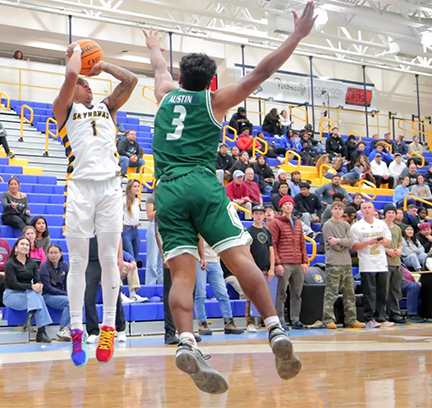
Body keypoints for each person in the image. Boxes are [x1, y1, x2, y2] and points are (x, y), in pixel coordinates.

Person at [143, 5, 315, 387]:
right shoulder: (214, 101)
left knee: (182, 273)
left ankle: (186, 340)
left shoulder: (165, 95)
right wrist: (298, 35)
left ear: (182, 77)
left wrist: (154, 46)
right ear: (210, 82)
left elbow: (158, 70)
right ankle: (274, 328)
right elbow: (262, 71)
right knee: (238, 258)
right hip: (202, 184)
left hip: (167, 190)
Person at [54, 41, 138, 367]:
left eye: (89, 83)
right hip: (79, 187)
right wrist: (75, 50)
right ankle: (77, 330)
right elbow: (72, 72)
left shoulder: (107, 107)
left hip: (110, 187)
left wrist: (103, 65)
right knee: (77, 262)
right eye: (82, 83)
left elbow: (131, 81)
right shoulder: (63, 109)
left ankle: (107, 328)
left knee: (108, 260)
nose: (87, 85)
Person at [319, 201, 364, 329]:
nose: (338, 211)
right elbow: (333, 245)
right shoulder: (327, 225)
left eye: (340, 209)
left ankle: (351, 319)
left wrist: (339, 240)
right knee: (331, 292)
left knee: (349, 292)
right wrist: (343, 242)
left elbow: (351, 242)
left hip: (346, 262)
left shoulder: (345, 224)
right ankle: (328, 319)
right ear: (332, 210)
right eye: (335, 208)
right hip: (333, 262)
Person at [350, 201, 393, 329]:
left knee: (382, 291)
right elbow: (354, 246)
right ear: (361, 211)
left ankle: (381, 316)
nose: (367, 210)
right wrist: (368, 242)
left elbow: (388, 241)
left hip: (381, 262)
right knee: (370, 292)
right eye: (364, 208)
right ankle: (369, 318)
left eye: (369, 207)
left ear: (374, 210)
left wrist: (380, 241)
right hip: (367, 262)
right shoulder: (356, 226)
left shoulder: (381, 224)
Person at [269, 195, 309, 330]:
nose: (288, 206)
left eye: (289, 204)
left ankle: (295, 319)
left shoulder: (297, 222)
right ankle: (280, 319)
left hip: (297, 262)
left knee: (297, 292)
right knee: (281, 292)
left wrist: (305, 261)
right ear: (281, 207)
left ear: (293, 206)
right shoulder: (276, 222)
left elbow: (302, 242)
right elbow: (272, 244)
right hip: (284, 262)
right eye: (285, 204)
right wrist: (277, 263)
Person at [3, 237, 52, 343]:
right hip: (12, 295)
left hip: (28, 295)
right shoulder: (10, 263)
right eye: (22, 244)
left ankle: (31, 317)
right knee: (38, 298)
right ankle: (41, 331)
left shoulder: (32, 263)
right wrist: (32, 287)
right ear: (16, 247)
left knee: (36, 294)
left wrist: (39, 285)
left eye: (27, 245)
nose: (25, 246)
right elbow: (13, 284)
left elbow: (37, 280)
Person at [195, 237, 244, 336]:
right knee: (200, 294)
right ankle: (202, 323)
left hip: (215, 261)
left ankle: (229, 322)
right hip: (199, 260)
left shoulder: (213, 226)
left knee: (223, 293)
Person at [84, 237, 128, 346]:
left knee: (114, 295)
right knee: (88, 296)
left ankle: (120, 328)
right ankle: (93, 331)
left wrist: (120, 257)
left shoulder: (108, 220)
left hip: (109, 258)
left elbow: (118, 237)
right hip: (91, 260)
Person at [243, 205, 274, 332]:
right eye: (256, 213)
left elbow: (271, 251)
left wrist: (272, 268)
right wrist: (253, 267)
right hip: (254, 269)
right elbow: (247, 251)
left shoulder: (268, 232)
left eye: (261, 213)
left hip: (266, 269)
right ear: (252, 215)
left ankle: (266, 321)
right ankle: (249, 322)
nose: (258, 216)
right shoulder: (248, 231)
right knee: (251, 296)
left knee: (267, 296)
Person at [38, 244, 71, 341]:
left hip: (61, 295)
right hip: (48, 296)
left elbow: (68, 283)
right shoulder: (44, 267)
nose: (53, 255)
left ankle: (71, 328)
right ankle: (64, 329)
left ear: (60, 254)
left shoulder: (64, 265)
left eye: (56, 253)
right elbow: (48, 288)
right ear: (47, 254)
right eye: (51, 253)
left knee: (79, 302)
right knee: (69, 302)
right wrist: (65, 294)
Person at [382, 204, 406, 324]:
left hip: (397, 263)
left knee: (396, 290)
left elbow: (400, 243)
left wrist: (399, 250)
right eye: (389, 212)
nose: (391, 214)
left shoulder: (397, 228)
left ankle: (395, 313)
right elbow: (377, 243)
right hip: (384, 262)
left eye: (393, 212)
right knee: (385, 290)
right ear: (385, 213)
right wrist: (388, 250)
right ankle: (384, 313)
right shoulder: (380, 226)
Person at [145, 191, 164, 285]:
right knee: (152, 260)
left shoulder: (165, 198)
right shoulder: (151, 198)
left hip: (163, 226)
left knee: (162, 259)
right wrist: (162, 208)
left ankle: (162, 283)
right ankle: (150, 284)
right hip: (154, 226)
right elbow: (150, 216)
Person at [122, 179, 141, 262]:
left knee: (136, 257)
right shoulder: (124, 200)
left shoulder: (137, 200)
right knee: (130, 258)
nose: (137, 188)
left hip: (135, 230)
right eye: (135, 186)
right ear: (130, 188)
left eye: (138, 186)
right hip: (127, 230)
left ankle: (134, 274)